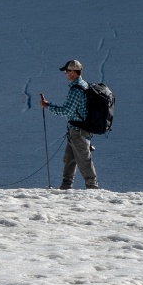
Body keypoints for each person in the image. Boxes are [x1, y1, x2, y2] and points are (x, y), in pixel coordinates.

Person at [40, 59, 99, 190]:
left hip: (78, 132)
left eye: (66, 71)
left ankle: (93, 189)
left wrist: (47, 106)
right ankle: (66, 188)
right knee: (69, 159)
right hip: (77, 131)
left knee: (84, 161)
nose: (65, 73)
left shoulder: (76, 89)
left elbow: (66, 111)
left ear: (73, 72)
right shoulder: (84, 85)